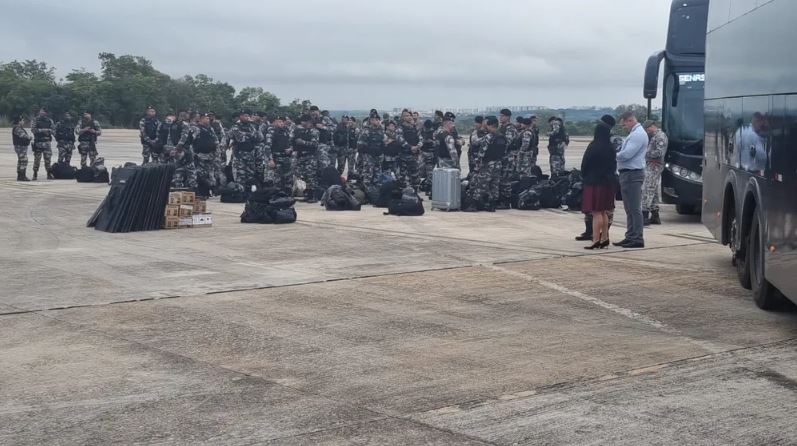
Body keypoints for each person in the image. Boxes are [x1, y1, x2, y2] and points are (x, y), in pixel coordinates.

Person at [580, 115, 618, 249]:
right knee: (604, 212)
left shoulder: (594, 146)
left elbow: (584, 164)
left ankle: (595, 239)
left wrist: (585, 176)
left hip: (594, 181)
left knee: (596, 212)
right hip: (608, 182)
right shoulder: (611, 146)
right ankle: (605, 238)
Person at [614, 111, 648, 248]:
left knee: (634, 208)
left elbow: (627, 154)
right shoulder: (635, 134)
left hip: (633, 174)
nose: (624, 128)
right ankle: (631, 235)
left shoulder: (638, 134)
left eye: (624, 125)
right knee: (629, 208)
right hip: (628, 173)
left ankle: (637, 238)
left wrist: (615, 154)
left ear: (630, 121)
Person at [464, 116, 504, 212]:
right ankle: (492, 205)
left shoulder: (488, 137)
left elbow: (482, 152)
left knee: (481, 184)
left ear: (490, 126)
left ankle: (473, 205)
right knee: (494, 184)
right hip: (498, 163)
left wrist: (477, 163)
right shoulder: (502, 136)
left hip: (487, 164)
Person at [228, 110, 265, 190]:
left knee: (250, 177)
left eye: (248, 116)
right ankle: (240, 194)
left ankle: (248, 195)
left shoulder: (252, 126)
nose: (247, 117)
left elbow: (260, 138)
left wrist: (256, 127)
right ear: (240, 116)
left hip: (250, 156)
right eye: (245, 116)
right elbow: (241, 139)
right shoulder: (236, 127)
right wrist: (251, 136)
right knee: (240, 177)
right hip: (239, 156)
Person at [643, 120, 668, 225]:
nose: (647, 131)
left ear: (653, 126)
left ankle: (644, 214)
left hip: (654, 165)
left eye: (648, 128)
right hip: (653, 164)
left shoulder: (660, 136)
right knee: (653, 191)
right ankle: (655, 214)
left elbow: (659, 152)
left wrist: (646, 153)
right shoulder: (655, 136)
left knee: (648, 189)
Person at [189, 113, 220, 197]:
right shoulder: (196, 128)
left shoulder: (210, 129)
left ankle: (208, 191)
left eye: (208, 118)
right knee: (200, 174)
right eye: (206, 118)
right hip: (200, 155)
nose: (208, 120)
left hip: (210, 155)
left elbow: (215, 140)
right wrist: (193, 154)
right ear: (201, 119)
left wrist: (217, 153)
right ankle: (201, 192)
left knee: (210, 174)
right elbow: (191, 142)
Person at [293, 114, 321, 202]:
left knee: (311, 176)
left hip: (311, 156)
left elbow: (315, 144)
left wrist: (303, 142)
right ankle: (308, 194)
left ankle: (313, 196)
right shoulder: (303, 131)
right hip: (302, 156)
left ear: (308, 122)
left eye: (303, 122)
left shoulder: (314, 132)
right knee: (303, 175)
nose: (302, 123)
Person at [264, 115, 294, 195]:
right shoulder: (271, 132)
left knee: (288, 180)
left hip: (286, 158)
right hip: (276, 158)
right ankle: (277, 196)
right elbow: (267, 147)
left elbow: (291, 143)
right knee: (277, 180)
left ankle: (287, 196)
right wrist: (270, 159)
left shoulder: (287, 131)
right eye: (277, 121)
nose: (279, 123)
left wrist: (290, 149)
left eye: (281, 121)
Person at [356, 111, 386, 190]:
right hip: (369, 156)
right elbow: (360, 144)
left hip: (378, 156)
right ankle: (367, 190)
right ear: (370, 120)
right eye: (373, 119)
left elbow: (384, 142)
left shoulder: (381, 130)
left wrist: (382, 150)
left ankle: (376, 191)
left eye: (377, 119)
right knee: (368, 174)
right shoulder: (366, 130)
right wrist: (369, 150)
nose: (375, 121)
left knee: (377, 174)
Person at [396, 110, 421, 190]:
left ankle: (415, 196)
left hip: (414, 156)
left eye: (409, 115)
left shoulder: (415, 127)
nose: (408, 117)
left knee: (415, 178)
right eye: (405, 115)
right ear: (402, 117)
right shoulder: (400, 128)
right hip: (404, 156)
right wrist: (410, 147)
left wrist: (417, 147)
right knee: (403, 179)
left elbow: (421, 138)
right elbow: (400, 139)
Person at [31, 108, 55, 180]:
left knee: (48, 159)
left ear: (46, 113)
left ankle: (49, 173)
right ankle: (35, 174)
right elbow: (33, 130)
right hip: (38, 142)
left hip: (47, 142)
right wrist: (42, 130)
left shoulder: (50, 121)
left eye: (43, 112)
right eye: (40, 112)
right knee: (37, 159)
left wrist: (49, 130)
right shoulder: (35, 120)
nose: (41, 113)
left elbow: (54, 131)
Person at [12, 115, 31, 181]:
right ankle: (22, 175)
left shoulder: (18, 127)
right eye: (22, 120)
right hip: (20, 147)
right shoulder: (17, 128)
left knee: (21, 160)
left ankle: (20, 175)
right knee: (24, 160)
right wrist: (29, 137)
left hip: (21, 147)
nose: (23, 122)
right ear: (19, 121)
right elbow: (23, 135)